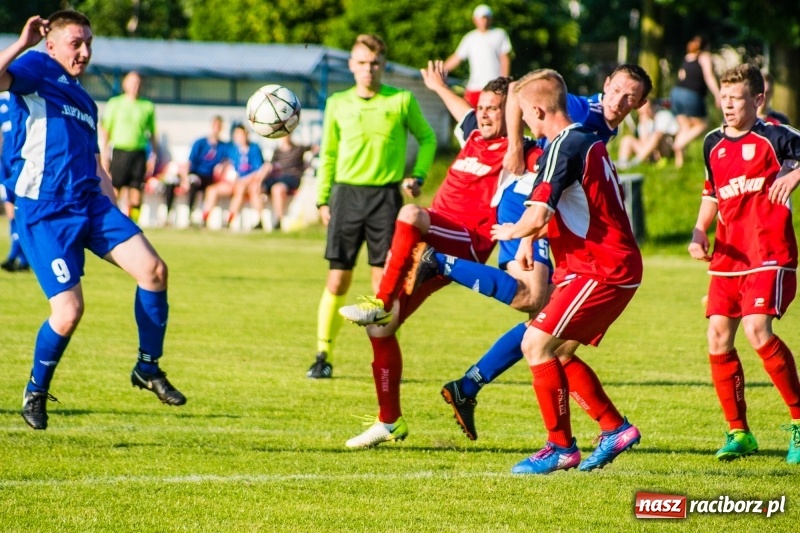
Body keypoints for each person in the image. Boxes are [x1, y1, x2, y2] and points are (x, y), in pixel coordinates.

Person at [421, 64, 652, 441]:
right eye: (617, 90)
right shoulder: (577, 111)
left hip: (560, 222)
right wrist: (515, 146)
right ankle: (441, 263)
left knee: (551, 334)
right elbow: (519, 90)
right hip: (528, 202)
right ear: (605, 83)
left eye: (631, 97)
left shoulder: (598, 132)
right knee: (536, 308)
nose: (619, 101)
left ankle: (471, 386)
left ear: (641, 103)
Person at [337, 61, 542, 448]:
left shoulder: (520, 153)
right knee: (381, 330)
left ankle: (380, 300)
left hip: (464, 241)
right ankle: (390, 421)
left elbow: (546, 179)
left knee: (410, 213)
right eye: (481, 107)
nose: (483, 113)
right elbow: (462, 110)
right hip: (431, 239)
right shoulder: (474, 137)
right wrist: (437, 86)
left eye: (493, 108)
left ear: (511, 114)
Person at [2, 11, 186, 431]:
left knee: (154, 270)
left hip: (92, 205)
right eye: (75, 43)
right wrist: (21, 43)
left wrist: (115, 208)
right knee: (68, 312)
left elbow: (97, 163)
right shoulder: (36, 67)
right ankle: (35, 389)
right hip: (46, 211)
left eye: (89, 43)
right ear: (51, 44)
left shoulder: (85, 99)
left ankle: (147, 367)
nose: (84, 52)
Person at [490, 68, 643, 475]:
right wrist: (527, 241)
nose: (520, 120)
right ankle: (615, 428)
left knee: (535, 346)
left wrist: (511, 231)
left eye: (522, 112)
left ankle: (560, 447)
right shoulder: (579, 139)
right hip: (594, 266)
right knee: (556, 350)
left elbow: (538, 210)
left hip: (602, 267)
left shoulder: (564, 145)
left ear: (537, 109)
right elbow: (554, 207)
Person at [688, 63, 800, 464]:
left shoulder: (776, 136)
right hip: (728, 256)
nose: (728, 105)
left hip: (768, 252)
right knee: (718, 338)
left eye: (737, 98)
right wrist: (700, 231)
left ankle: (799, 422)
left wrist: (795, 173)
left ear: (758, 99)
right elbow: (712, 193)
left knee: (756, 329)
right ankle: (739, 432)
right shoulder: (712, 144)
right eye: (724, 97)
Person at [307, 34, 437, 379]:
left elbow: (428, 138)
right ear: (351, 65)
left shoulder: (402, 100)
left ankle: (381, 359)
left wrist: (419, 175)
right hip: (346, 197)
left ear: (383, 65)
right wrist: (323, 198)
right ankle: (323, 354)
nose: (369, 69)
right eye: (362, 63)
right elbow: (329, 153)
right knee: (338, 279)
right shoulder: (337, 103)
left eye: (375, 63)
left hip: (386, 200)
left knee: (384, 285)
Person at [100, 71, 158, 223]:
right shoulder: (115, 103)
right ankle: (111, 220)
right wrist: (105, 153)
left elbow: (152, 133)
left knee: (136, 189)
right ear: (125, 84)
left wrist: (153, 155)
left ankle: (133, 222)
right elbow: (106, 129)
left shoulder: (147, 106)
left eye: (138, 83)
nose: (135, 86)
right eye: (132, 83)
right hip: (120, 151)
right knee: (114, 188)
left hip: (139, 152)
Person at [444, 4, 512, 109]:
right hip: (474, 87)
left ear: (490, 19)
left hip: (494, 87)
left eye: (486, 18)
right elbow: (457, 58)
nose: (483, 21)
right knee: (470, 118)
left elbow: (505, 59)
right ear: (475, 20)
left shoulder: (499, 34)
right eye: (481, 18)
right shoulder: (470, 38)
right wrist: (440, 71)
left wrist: (504, 83)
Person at [202, 122, 266, 229]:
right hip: (236, 182)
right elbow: (228, 162)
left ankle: (233, 220)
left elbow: (259, 170)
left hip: (250, 183)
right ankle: (204, 219)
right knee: (212, 190)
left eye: (241, 134)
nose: (239, 137)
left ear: (246, 135)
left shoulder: (254, 149)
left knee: (246, 189)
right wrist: (222, 166)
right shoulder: (233, 149)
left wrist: (244, 180)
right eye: (237, 135)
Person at [670, 35, 720, 168]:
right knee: (702, 125)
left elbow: (681, 75)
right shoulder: (704, 56)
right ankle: (678, 145)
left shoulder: (687, 57)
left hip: (676, 93)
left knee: (685, 126)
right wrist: (717, 94)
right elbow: (709, 76)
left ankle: (679, 164)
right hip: (691, 94)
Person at [260, 134, 314, 230]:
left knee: (277, 189)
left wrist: (309, 164)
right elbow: (269, 166)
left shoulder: (298, 148)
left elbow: (315, 148)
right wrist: (259, 180)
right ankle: (259, 220)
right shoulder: (277, 151)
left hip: (292, 178)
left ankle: (278, 221)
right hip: (279, 177)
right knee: (257, 188)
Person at [0, 91, 28, 272]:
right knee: (10, 206)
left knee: (22, 208)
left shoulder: (26, 94)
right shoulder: (1, 101)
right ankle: (21, 256)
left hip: (24, 161)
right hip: (5, 162)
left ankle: (16, 255)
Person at [182, 115, 229, 222]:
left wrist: (223, 165)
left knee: (212, 190)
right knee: (193, 182)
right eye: (215, 125)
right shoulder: (200, 143)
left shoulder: (224, 146)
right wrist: (185, 179)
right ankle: (190, 214)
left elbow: (230, 159)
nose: (216, 128)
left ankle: (204, 218)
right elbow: (189, 162)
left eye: (219, 126)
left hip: (211, 177)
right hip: (198, 174)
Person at [616, 99, 678, 169]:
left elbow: (659, 136)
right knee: (627, 139)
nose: (646, 113)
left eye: (647, 109)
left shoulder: (663, 116)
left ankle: (635, 162)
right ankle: (623, 164)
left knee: (656, 135)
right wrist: (644, 125)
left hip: (665, 150)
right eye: (642, 112)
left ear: (653, 107)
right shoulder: (644, 122)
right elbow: (644, 143)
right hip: (650, 152)